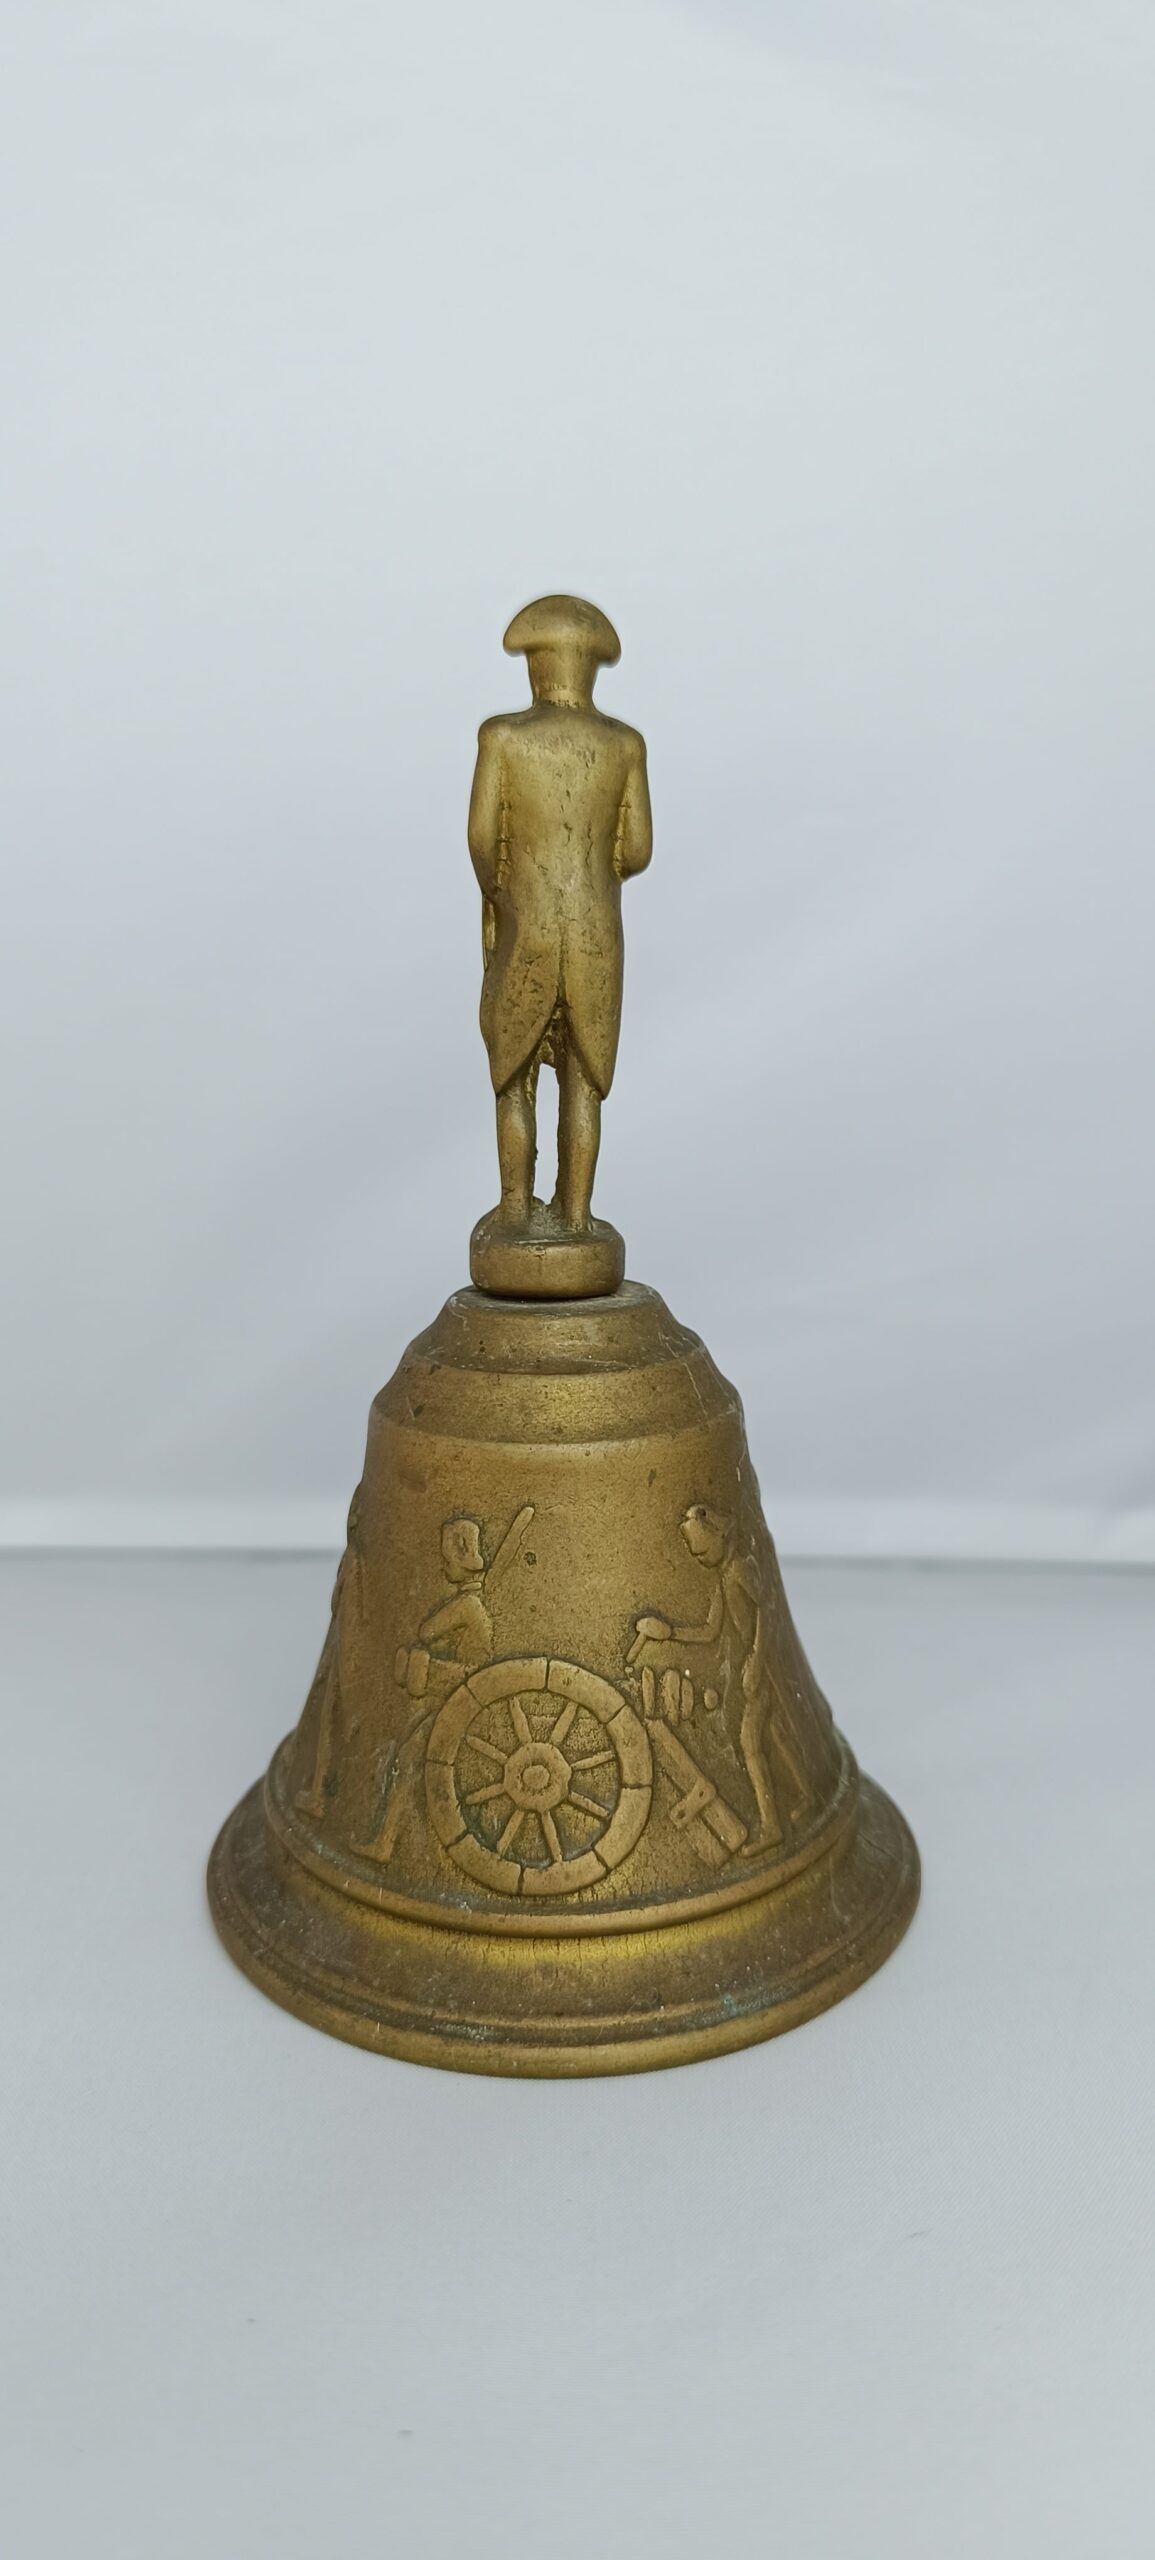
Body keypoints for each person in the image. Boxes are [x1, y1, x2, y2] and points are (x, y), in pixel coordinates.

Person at [468, 594, 652, 1232]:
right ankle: (576, 1214)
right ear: (589, 667)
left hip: (527, 929)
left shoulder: (502, 737)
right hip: (598, 932)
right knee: (583, 1078)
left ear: (538, 665)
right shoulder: (625, 745)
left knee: (513, 1076)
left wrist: (503, 894)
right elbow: (638, 850)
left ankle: (516, 1207)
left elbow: (481, 839)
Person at [631, 1504, 814, 1854]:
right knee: (776, 1733)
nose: (699, 1559)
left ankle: (772, 1827)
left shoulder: (741, 1569)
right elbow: (709, 1631)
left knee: (750, 1743)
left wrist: (757, 1660)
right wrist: (668, 1633)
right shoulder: (724, 1577)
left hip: (760, 1669)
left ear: (718, 1536)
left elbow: (765, 1610)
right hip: (753, 1668)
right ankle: (807, 1794)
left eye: (702, 1551)